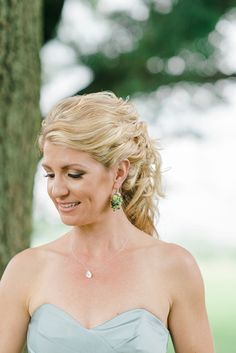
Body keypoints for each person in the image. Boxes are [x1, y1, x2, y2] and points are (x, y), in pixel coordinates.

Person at [0, 91, 215, 353]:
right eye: (49, 174)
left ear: (119, 173)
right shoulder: (26, 269)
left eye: (74, 174)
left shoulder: (174, 267)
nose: (57, 190)